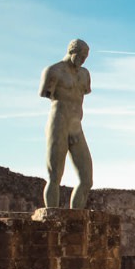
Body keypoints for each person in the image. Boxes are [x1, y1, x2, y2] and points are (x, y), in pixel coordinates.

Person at [40, 39, 93, 209]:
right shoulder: (53, 71)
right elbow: (47, 93)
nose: (83, 60)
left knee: (86, 179)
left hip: (76, 127)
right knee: (55, 175)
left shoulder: (84, 74)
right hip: (58, 124)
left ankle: (76, 219)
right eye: (81, 55)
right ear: (72, 51)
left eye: (86, 57)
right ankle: (51, 219)